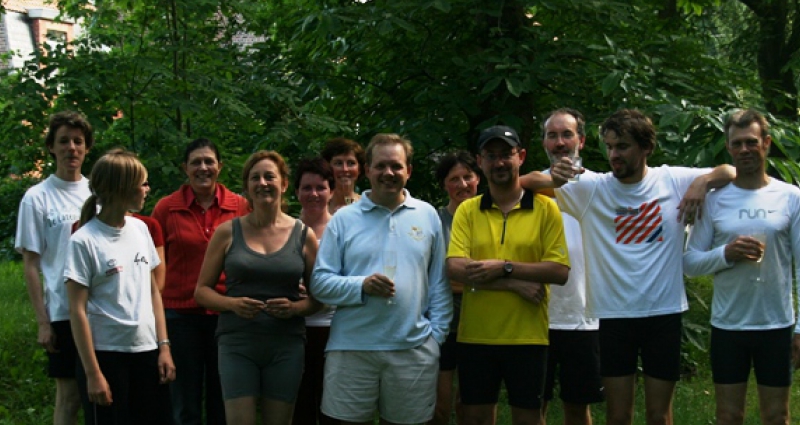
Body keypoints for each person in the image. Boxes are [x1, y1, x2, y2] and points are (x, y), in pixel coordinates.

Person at [520, 109, 735, 425]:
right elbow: (522, 183)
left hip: (663, 312)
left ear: (646, 147)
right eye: (609, 147)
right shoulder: (593, 187)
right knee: (618, 416)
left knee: (659, 416)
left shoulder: (672, 180)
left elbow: (730, 171)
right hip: (614, 315)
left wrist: (702, 182)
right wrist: (554, 177)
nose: (614, 155)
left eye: (622, 147)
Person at [310, 133, 453, 425]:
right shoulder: (344, 219)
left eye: (396, 166)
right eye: (381, 166)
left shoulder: (426, 215)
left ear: (408, 171)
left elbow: (439, 282)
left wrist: (435, 337)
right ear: (368, 170)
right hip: (352, 350)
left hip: (412, 350)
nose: (389, 173)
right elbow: (321, 283)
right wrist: (361, 285)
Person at [447, 125, 570, 425]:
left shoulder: (546, 209)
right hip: (476, 335)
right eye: (491, 156)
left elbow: (559, 270)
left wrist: (504, 266)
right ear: (480, 161)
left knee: (528, 419)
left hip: (528, 336)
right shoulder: (468, 210)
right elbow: (456, 267)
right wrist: (514, 283)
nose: (499, 162)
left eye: (506, 154)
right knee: (475, 418)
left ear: (521, 157)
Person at [683, 109, 800, 425]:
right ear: (729, 148)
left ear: (766, 143)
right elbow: (690, 262)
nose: (745, 149)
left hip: (776, 325)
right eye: (737, 144)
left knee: (777, 416)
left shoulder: (790, 197)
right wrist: (726, 253)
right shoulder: (714, 200)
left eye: (751, 142)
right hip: (728, 326)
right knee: (728, 416)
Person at [195, 150, 321, 425]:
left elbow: (318, 298)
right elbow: (201, 291)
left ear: (284, 184)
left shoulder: (303, 235)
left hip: (285, 344)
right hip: (237, 343)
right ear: (247, 187)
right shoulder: (227, 232)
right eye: (255, 178)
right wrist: (232, 304)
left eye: (269, 177)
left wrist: (295, 308)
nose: (263, 183)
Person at [64, 149, 175, 425]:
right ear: (122, 188)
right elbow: (77, 310)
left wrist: (163, 347)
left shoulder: (141, 230)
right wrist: (93, 373)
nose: (147, 189)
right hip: (106, 355)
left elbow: (153, 292)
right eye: (142, 183)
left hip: (147, 352)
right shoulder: (84, 241)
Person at [152, 138, 250, 425]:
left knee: (224, 398)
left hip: (226, 314)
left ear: (220, 166)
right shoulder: (166, 209)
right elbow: (155, 267)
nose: (203, 167)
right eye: (196, 162)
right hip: (179, 316)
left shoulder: (240, 207)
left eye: (209, 161)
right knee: (184, 402)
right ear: (185, 168)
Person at [15, 110, 94, 425]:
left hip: (102, 308)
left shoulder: (98, 192)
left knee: (101, 393)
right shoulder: (37, 198)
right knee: (69, 396)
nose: (71, 148)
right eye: (64, 141)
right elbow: (31, 265)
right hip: (63, 311)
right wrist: (43, 322)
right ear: (51, 147)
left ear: (86, 147)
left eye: (78, 141)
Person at [539, 109, 604, 425]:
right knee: (531, 407)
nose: (560, 142)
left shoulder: (600, 186)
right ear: (544, 143)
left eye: (567, 134)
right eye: (552, 135)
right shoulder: (529, 191)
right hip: (535, 315)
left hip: (584, 316)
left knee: (578, 408)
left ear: (582, 140)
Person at [430, 151, 481, 425]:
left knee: (470, 406)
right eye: (454, 179)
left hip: (481, 323)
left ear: (478, 178)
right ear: (444, 185)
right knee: (438, 407)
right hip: (443, 324)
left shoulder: (492, 218)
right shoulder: (434, 221)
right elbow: (435, 277)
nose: (462, 185)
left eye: (467, 177)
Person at [291, 157, 340, 425]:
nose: (314, 194)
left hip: (335, 330)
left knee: (332, 408)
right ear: (296, 191)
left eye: (321, 187)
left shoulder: (342, 230)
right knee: (300, 407)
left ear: (331, 191)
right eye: (306, 188)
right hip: (294, 329)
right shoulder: (286, 230)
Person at [321, 137, 365, 213]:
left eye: (351, 163)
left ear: (359, 169)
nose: (345, 169)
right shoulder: (318, 207)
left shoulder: (367, 206)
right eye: (338, 163)